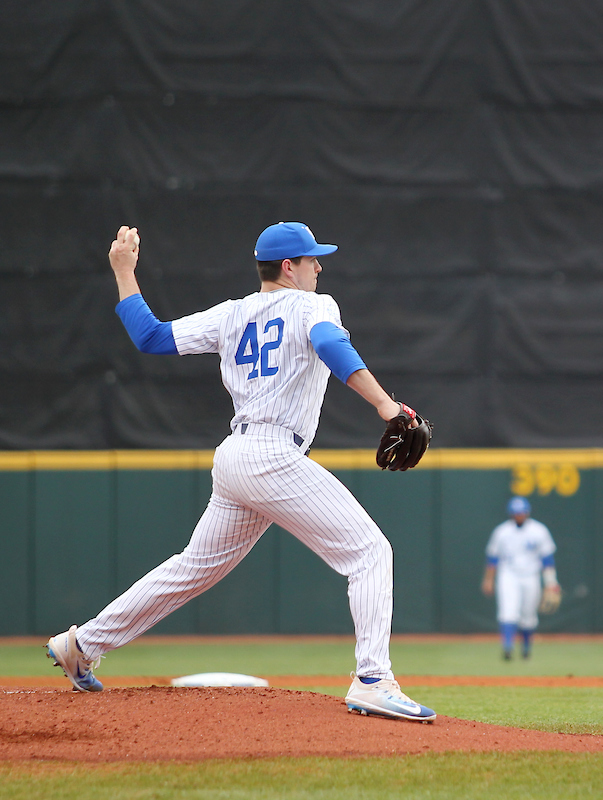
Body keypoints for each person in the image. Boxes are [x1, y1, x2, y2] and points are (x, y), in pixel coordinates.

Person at [45, 222, 436, 722]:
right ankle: (374, 679)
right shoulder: (315, 304)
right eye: (312, 258)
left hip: (235, 456)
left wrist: (124, 272)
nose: (320, 266)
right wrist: (388, 407)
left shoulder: (231, 315)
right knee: (370, 552)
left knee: (194, 567)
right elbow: (331, 345)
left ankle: (84, 643)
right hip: (273, 454)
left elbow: (151, 337)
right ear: (289, 266)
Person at [481, 497, 560, 660]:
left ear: (527, 512)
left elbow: (547, 559)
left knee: (528, 615)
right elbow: (493, 558)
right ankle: (508, 647)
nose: (519, 516)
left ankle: (526, 648)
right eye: (516, 513)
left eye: (521, 513)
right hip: (508, 575)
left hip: (531, 575)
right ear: (511, 514)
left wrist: (551, 582)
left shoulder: (539, 530)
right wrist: (488, 580)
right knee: (507, 612)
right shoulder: (502, 531)